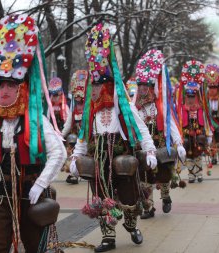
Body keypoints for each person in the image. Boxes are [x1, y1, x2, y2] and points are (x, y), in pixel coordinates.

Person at [0, 14, 66, 253]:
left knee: (33, 245)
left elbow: (59, 153)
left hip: (29, 192)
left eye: (11, 85)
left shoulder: (36, 121)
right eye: (1, 84)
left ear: (22, 88)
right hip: (0, 193)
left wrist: (41, 184)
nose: (5, 91)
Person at [69, 23, 158, 252]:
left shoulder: (122, 104)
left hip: (120, 154)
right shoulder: (91, 109)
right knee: (102, 196)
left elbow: (140, 128)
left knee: (128, 196)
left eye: (100, 85)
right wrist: (75, 158)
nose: (96, 89)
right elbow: (83, 135)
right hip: (99, 157)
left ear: (109, 85)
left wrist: (150, 151)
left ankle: (131, 226)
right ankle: (108, 237)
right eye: (94, 84)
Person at [134, 49, 186, 219]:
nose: (142, 88)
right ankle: (149, 207)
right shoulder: (135, 108)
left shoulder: (159, 106)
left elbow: (170, 124)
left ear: (151, 86)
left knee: (163, 174)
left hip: (161, 145)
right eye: (139, 85)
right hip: (144, 148)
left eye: (145, 85)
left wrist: (178, 143)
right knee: (144, 176)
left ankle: (165, 196)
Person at [177, 60, 212, 183]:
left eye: (192, 96)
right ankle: (191, 174)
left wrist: (203, 132)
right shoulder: (182, 109)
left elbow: (205, 123)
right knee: (188, 154)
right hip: (187, 135)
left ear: (196, 96)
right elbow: (180, 124)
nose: (190, 99)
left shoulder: (200, 108)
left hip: (198, 134)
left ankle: (200, 173)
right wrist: (185, 131)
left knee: (198, 153)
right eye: (188, 96)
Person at [62, 70, 88, 184]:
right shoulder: (74, 110)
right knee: (71, 139)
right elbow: (68, 124)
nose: (77, 98)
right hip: (78, 138)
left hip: (89, 136)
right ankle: (74, 174)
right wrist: (60, 136)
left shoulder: (90, 108)